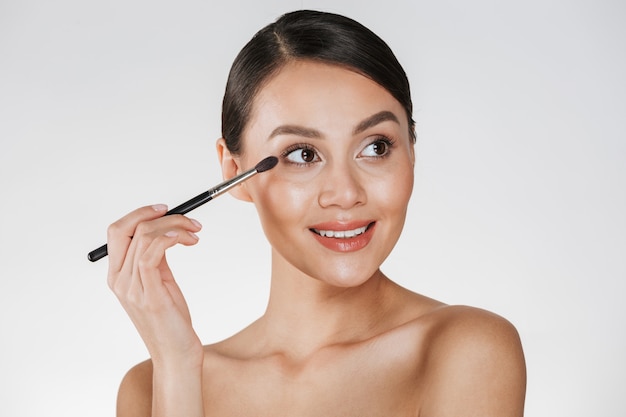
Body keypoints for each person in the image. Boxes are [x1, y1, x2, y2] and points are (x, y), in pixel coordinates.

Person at [106, 10, 526, 417]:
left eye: (376, 147)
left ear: (411, 149)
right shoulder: (150, 389)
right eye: (303, 154)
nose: (345, 194)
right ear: (234, 171)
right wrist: (178, 369)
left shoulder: (467, 350)